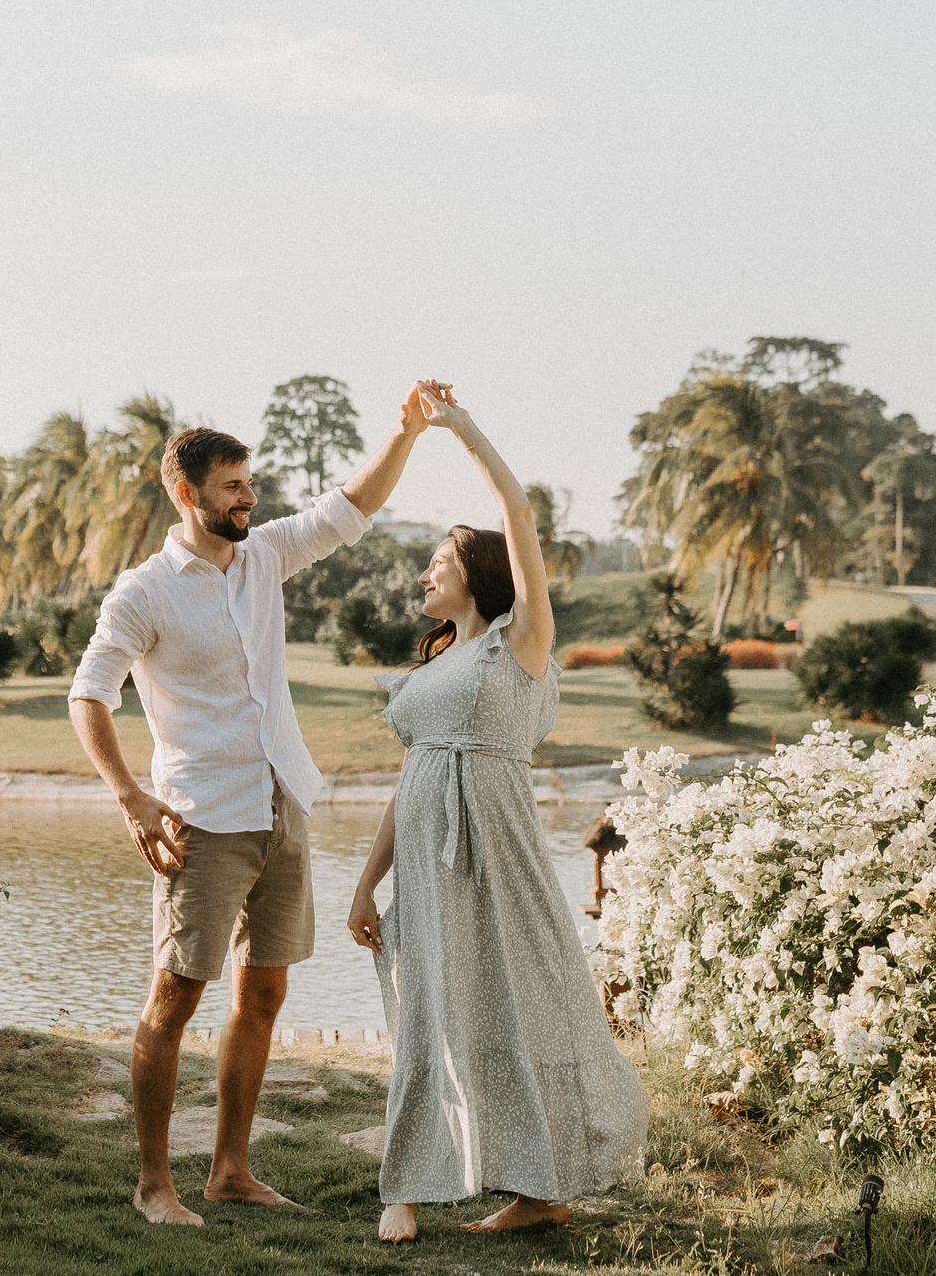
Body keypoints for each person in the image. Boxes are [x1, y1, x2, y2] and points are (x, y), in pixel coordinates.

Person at [68, 396, 429, 1227]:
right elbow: (89, 693)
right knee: (175, 998)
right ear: (188, 495)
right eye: (232, 486)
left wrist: (405, 431)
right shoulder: (145, 592)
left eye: (250, 482)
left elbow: (353, 507)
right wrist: (130, 793)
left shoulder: (265, 555)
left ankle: (230, 1168)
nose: (248, 498)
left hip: (282, 804)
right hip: (201, 821)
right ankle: (155, 1182)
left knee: (263, 994)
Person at [347, 383, 648, 1244]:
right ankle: (401, 1183)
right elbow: (411, 784)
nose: (423, 571)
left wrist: (459, 427)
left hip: (500, 854)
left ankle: (540, 1187)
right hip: (431, 868)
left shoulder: (522, 642)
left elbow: (518, 510)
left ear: (475, 570)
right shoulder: (433, 670)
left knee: (522, 1007)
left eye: (436, 560)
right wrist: (368, 883)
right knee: (428, 1008)